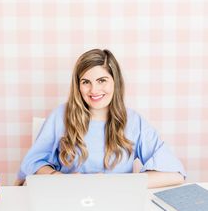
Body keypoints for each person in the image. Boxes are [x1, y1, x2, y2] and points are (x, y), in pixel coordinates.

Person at [15, 48, 186, 188]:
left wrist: (116, 183)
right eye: (86, 82)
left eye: (102, 80)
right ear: (78, 85)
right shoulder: (61, 116)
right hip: (69, 199)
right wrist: (60, 178)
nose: (94, 90)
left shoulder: (134, 121)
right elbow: (32, 164)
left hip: (116, 203)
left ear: (115, 82)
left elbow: (175, 174)